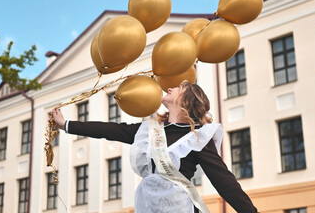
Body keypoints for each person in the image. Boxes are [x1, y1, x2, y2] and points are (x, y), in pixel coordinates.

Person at [53, 80, 258, 213]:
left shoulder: (197, 137)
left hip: (180, 207)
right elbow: (112, 130)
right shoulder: (150, 130)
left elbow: (224, 181)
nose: (170, 87)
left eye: (178, 88)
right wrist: (66, 125)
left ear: (187, 100)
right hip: (148, 205)